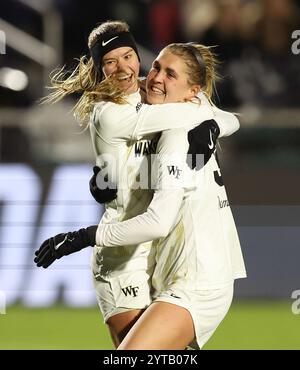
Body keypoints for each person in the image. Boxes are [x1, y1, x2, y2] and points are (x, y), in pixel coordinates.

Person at [34, 20, 241, 348]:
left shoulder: (154, 93)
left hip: (158, 253)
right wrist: (211, 120)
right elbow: (202, 112)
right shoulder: (111, 112)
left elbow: (222, 115)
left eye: (128, 55)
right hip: (123, 257)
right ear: (100, 69)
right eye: (110, 61)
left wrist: (214, 123)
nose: (124, 68)